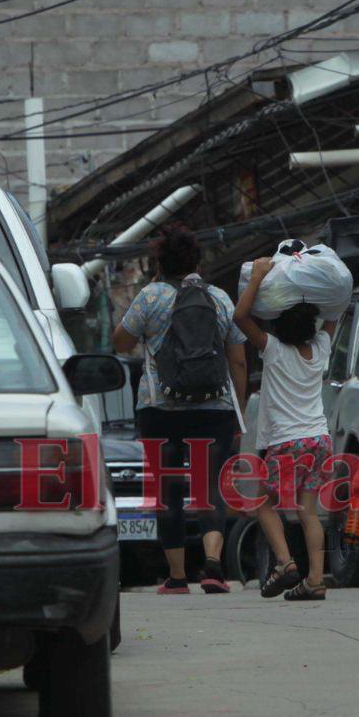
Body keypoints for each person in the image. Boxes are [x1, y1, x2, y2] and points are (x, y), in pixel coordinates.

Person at [113, 225, 247, 595]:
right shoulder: (218, 298)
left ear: (160, 263)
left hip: (160, 409)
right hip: (215, 409)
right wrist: (237, 408)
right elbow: (238, 359)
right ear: (197, 263)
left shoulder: (150, 296)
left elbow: (120, 342)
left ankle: (176, 577)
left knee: (168, 488)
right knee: (210, 486)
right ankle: (213, 565)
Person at [233, 256, 337, 601]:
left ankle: (285, 562)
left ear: (277, 326)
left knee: (264, 502)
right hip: (320, 440)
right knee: (308, 512)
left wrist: (258, 277)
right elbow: (334, 311)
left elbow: (240, 317)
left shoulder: (272, 349)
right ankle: (315, 579)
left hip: (287, 442)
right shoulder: (320, 348)